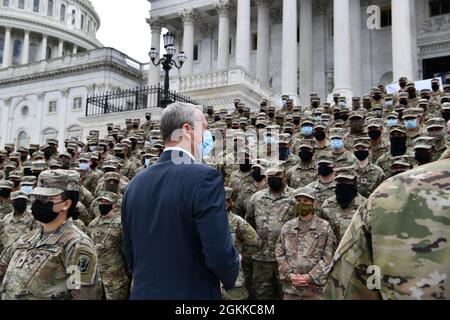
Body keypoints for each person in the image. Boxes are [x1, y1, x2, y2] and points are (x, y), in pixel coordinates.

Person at [121, 102, 240, 300]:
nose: (208, 133)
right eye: (204, 126)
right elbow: (219, 254)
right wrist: (232, 269)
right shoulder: (205, 178)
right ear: (186, 130)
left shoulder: (134, 184)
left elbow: (131, 256)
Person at [325, 156, 450, 300]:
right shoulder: (388, 194)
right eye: (340, 182)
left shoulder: (390, 193)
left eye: (346, 181)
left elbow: (349, 287)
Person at [0, 170, 102, 300]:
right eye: (36, 197)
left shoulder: (76, 244)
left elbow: (85, 295)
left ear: (66, 204)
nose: (38, 202)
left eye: (46, 198)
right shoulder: (27, 238)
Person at [245, 161, 296, 300]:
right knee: (262, 295)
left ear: (285, 175)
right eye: (270, 175)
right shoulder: (256, 198)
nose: (274, 177)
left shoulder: (296, 198)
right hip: (261, 259)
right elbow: (249, 223)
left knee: (287, 294)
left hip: (288, 259)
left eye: (278, 174)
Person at [276, 187, 336, 300]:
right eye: (298, 201)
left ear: (314, 203)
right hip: (291, 290)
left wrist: (310, 277)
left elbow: (329, 256)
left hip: (315, 291)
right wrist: (290, 275)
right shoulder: (288, 226)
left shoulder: (324, 227)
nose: (301, 203)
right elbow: (280, 253)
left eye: (306, 201)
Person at [87, 191, 130, 300]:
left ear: (114, 205)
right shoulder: (93, 224)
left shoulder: (121, 223)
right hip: (96, 274)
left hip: (115, 274)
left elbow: (128, 247)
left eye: (106, 202)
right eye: (100, 201)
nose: (102, 204)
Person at [222, 187, 260, 300]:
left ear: (228, 203)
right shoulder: (204, 221)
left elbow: (255, 242)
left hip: (234, 279)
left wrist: (240, 257)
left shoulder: (237, 221)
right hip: (209, 279)